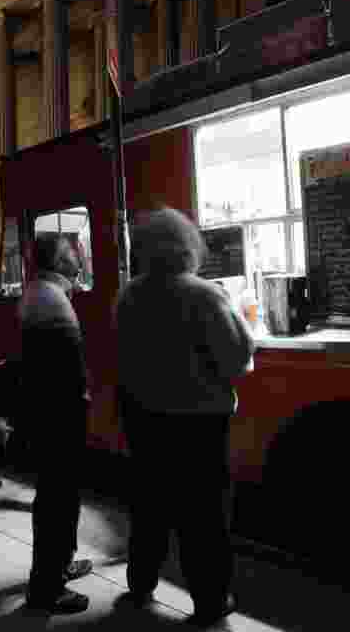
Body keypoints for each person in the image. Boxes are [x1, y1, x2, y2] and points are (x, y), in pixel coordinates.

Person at [113, 208, 255, 629]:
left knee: (149, 506)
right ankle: (210, 601)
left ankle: (140, 584)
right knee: (203, 516)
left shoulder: (129, 295)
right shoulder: (205, 295)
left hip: (144, 419)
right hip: (198, 425)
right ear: (189, 246)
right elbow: (235, 358)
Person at [18, 233, 94, 614]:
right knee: (57, 502)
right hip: (59, 418)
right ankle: (47, 588)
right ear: (57, 261)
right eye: (71, 253)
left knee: (57, 499)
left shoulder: (41, 292)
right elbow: (65, 367)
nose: (78, 256)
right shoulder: (50, 300)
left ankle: (59, 566)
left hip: (48, 415)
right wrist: (83, 398)